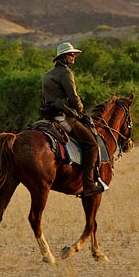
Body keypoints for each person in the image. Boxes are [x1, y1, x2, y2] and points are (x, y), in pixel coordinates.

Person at [41, 42, 106, 197]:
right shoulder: (66, 74)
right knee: (92, 145)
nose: (74, 57)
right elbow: (73, 97)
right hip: (64, 117)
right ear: (63, 57)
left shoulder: (47, 75)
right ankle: (89, 184)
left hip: (47, 117)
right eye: (71, 55)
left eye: (74, 55)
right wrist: (80, 109)